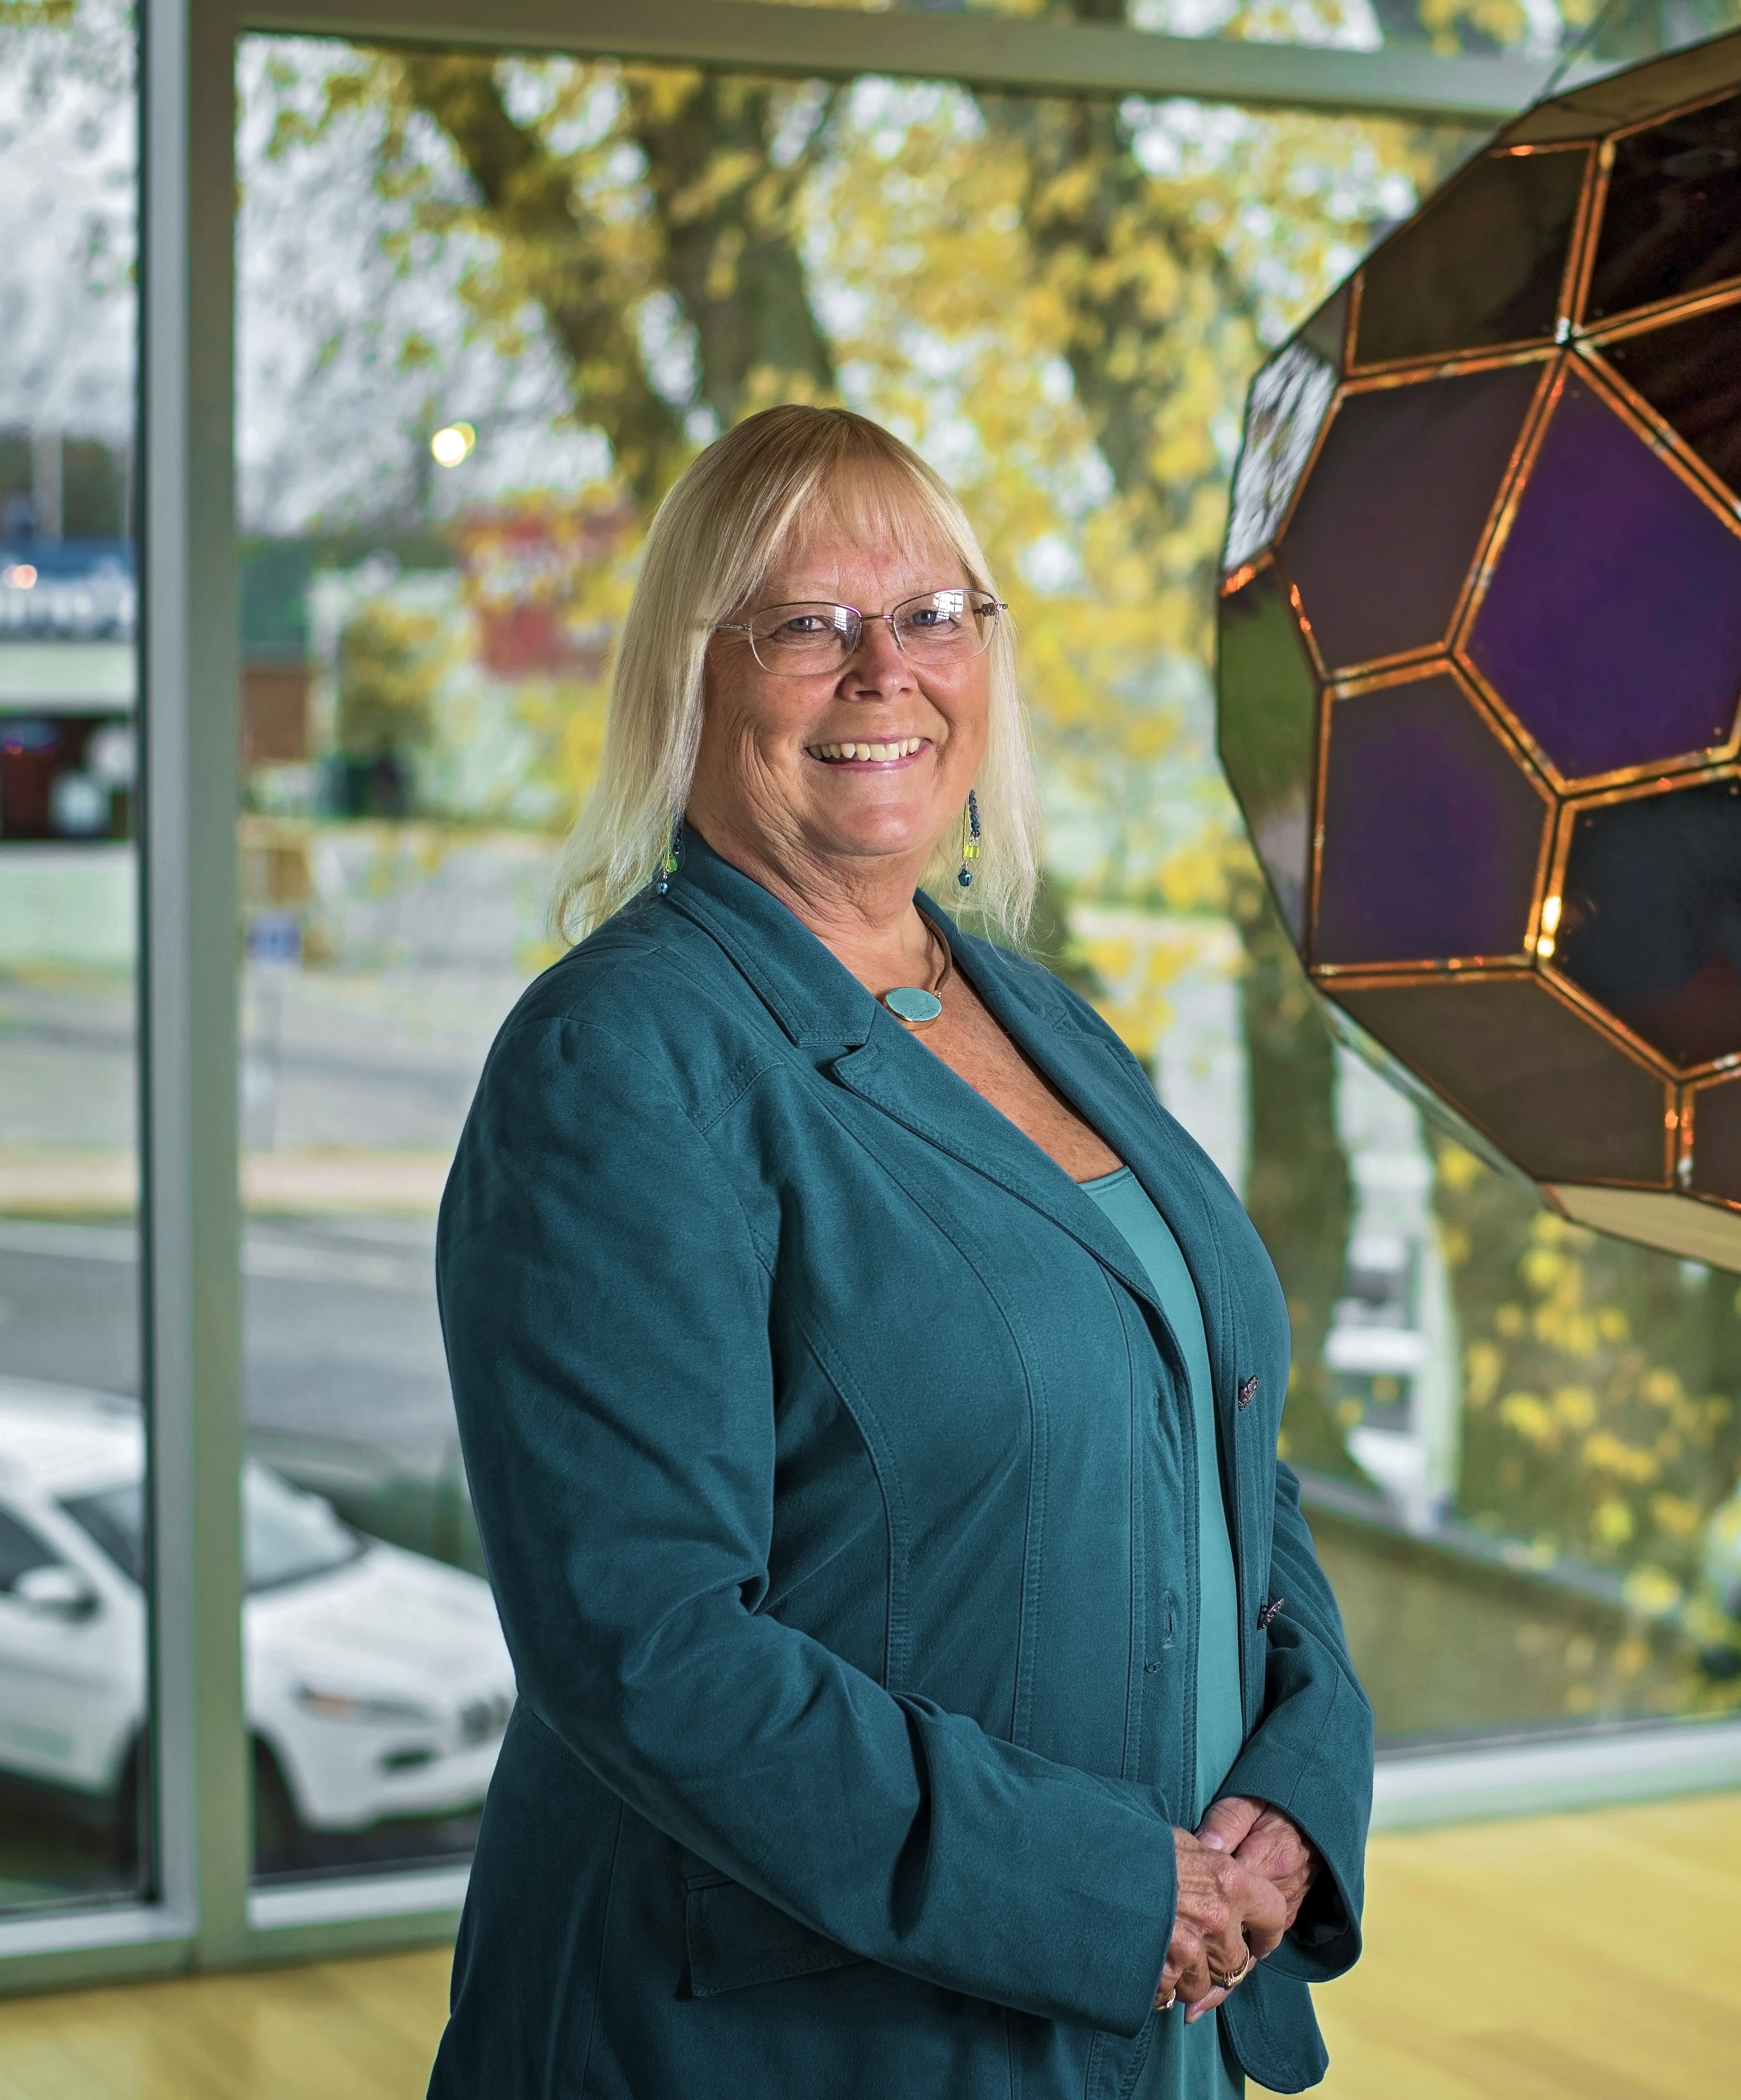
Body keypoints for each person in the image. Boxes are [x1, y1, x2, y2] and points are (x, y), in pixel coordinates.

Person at [429, 405, 1373, 2100]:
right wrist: (1098, 1886)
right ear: (692, 677)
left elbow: (1207, 1428)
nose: (884, 674)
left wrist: (1302, 1776)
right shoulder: (621, 1058)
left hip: (1146, 1998)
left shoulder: (1032, 1006)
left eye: (934, 614)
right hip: (805, 2032)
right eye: (806, 625)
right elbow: (642, 1640)